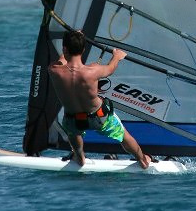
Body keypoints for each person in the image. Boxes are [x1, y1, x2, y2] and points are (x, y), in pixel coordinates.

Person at [48, 29, 151, 169]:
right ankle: (142, 159)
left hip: (72, 120)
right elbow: (110, 68)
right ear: (84, 49)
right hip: (99, 117)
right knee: (123, 136)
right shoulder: (93, 70)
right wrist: (116, 56)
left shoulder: (54, 70)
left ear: (65, 48)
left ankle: (79, 157)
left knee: (73, 133)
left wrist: (72, 40)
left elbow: (62, 59)